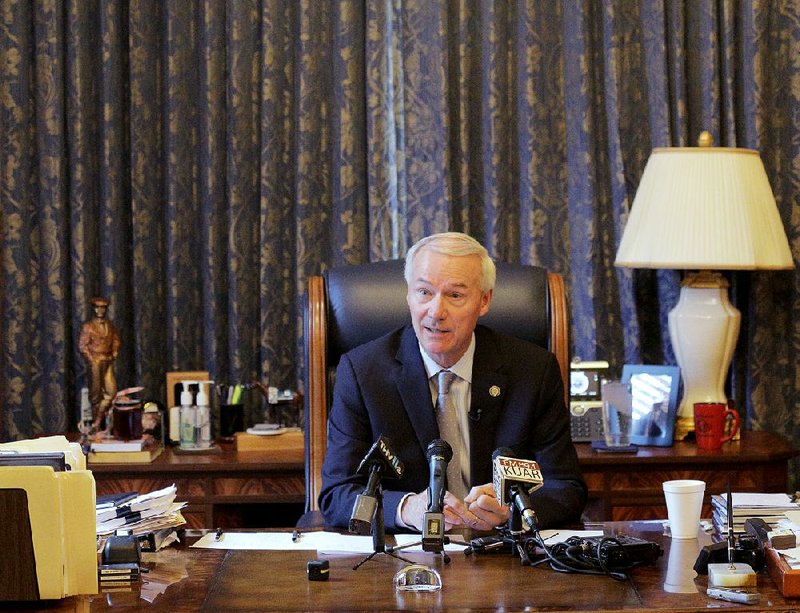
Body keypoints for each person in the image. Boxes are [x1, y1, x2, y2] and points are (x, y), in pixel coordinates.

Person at [319, 232, 586, 534]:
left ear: (484, 301)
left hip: (501, 555)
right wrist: (407, 508)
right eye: (424, 293)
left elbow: (566, 487)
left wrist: (513, 511)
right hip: (407, 560)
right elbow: (337, 495)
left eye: (455, 295)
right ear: (408, 295)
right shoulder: (362, 373)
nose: (436, 312)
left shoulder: (533, 371)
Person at [79, 297, 121, 433]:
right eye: (97, 307)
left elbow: (115, 340)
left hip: (107, 360)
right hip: (96, 361)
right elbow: (83, 346)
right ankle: (96, 425)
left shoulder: (109, 325)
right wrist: (91, 359)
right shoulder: (89, 326)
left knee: (111, 392)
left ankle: (98, 421)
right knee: (95, 394)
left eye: (103, 308)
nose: (100, 310)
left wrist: (114, 351)